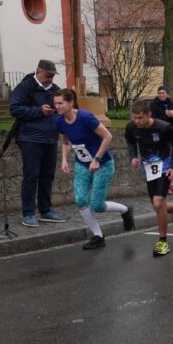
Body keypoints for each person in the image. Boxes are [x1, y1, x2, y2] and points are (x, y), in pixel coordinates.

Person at [54, 88, 134, 249]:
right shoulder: (60, 122)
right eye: (55, 103)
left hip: (102, 163)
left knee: (97, 205)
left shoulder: (85, 117)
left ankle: (125, 210)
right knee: (81, 200)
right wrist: (64, 160)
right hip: (82, 164)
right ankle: (98, 236)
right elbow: (66, 142)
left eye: (60, 103)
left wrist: (96, 159)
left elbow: (107, 136)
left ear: (70, 103)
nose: (57, 106)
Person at [125, 99, 173, 257]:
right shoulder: (131, 127)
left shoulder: (164, 127)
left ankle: (163, 241)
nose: (137, 121)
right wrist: (133, 156)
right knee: (158, 205)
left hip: (164, 164)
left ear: (149, 114)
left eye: (140, 118)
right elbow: (130, 141)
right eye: (134, 118)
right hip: (148, 166)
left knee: (157, 202)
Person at [9, 59, 66, 227]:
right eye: (47, 76)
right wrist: (39, 111)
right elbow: (14, 109)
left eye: (52, 76)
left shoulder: (55, 90)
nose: (50, 79)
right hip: (30, 138)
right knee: (31, 175)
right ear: (38, 72)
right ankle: (28, 213)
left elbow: (62, 109)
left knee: (47, 176)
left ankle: (45, 210)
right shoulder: (25, 87)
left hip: (50, 138)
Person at [150, 85, 173, 192]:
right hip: (159, 135)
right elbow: (154, 120)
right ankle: (164, 185)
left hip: (171, 134)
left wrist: (172, 116)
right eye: (159, 93)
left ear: (167, 94)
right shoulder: (153, 105)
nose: (161, 95)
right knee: (163, 159)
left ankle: (171, 184)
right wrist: (166, 115)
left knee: (172, 159)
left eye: (163, 93)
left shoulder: (172, 104)